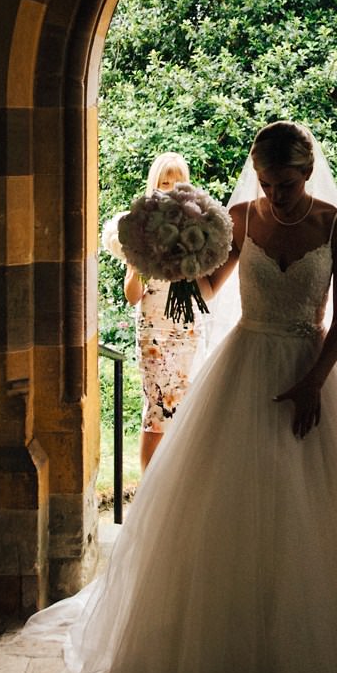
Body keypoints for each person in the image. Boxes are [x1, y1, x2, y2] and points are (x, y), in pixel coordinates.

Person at [33, 121, 337, 673]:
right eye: (271, 184)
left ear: (308, 175)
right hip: (245, 364)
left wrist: (311, 385)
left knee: (315, 522)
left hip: (312, 369)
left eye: (291, 184)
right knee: (229, 517)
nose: (279, 196)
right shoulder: (240, 218)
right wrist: (179, 254)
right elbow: (211, 289)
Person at [120, 152, 203, 470]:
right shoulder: (139, 229)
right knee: (157, 409)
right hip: (153, 329)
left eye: (177, 182)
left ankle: (175, 487)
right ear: (154, 185)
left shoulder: (196, 225)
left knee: (183, 408)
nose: (170, 189)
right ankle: (147, 494)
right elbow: (132, 295)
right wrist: (138, 264)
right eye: (164, 182)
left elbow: (203, 284)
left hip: (186, 326)